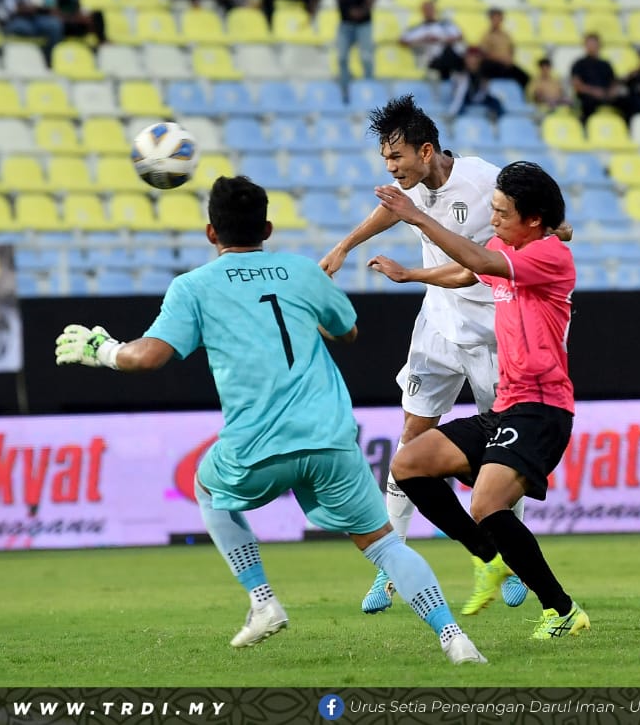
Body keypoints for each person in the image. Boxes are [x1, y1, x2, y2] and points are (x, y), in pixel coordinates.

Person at [54, 176, 487, 666]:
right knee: (384, 546)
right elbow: (347, 331)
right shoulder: (303, 272)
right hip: (330, 439)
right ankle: (455, 639)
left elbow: (149, 356)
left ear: (210, 233)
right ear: (267, 227)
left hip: (256, 444)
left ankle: (263, 601)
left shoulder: (193, 287)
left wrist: (105, 351)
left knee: (205, 486)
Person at [318, 95, 529, 616]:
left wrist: (557, 229)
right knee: (411, 436)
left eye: (397, 160)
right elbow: (391, 211)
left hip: (492, 330)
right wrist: (345, 245)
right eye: (385, 160)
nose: (391, 171)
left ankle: (513, 559)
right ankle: (391, 568)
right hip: (436, 325)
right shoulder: (411, 191)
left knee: (503, 450)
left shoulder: (485, 182)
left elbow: (505, 243)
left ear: (426, 149)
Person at [369, 161, 591, 642]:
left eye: (501, 212)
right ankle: (489, 559)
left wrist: (418, 217)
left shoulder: (550, 257)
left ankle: (563, 610)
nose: (492, 220)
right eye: (491, 209)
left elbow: (484, 262)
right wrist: (411, 275)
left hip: (542, 408)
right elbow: (467, 271)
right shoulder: (507, 247)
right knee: (409, 463)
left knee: (486, 504)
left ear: (532, 220)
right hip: (506, 407)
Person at [313, 0, 377, 103]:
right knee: (341, 58)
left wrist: (362, 10)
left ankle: (369, 88)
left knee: (366, 57)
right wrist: (312, 9)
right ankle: (345, 92)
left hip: (363, 24)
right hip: (345, 25)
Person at [570, 32, 622, 126]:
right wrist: (594, 92)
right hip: (588, 96)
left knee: (628, 101)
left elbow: (614, 82)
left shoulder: (606, 64)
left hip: (605, 96)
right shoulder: (579, 64)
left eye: (594, 43)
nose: (592, 46)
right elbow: (577, 85)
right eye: (589, 43)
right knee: (587, 104)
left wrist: (610, 93)